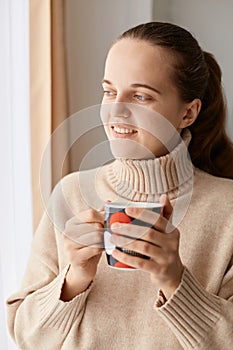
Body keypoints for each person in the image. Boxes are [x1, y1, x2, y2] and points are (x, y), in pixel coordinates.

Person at [6, 22, 233, 349]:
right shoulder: (70, 193)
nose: (115, 109)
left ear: (188, 113)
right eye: (109, 91)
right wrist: (73, 279)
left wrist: (175, 282)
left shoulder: (227, 209)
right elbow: (28, 339)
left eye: (140, 96)